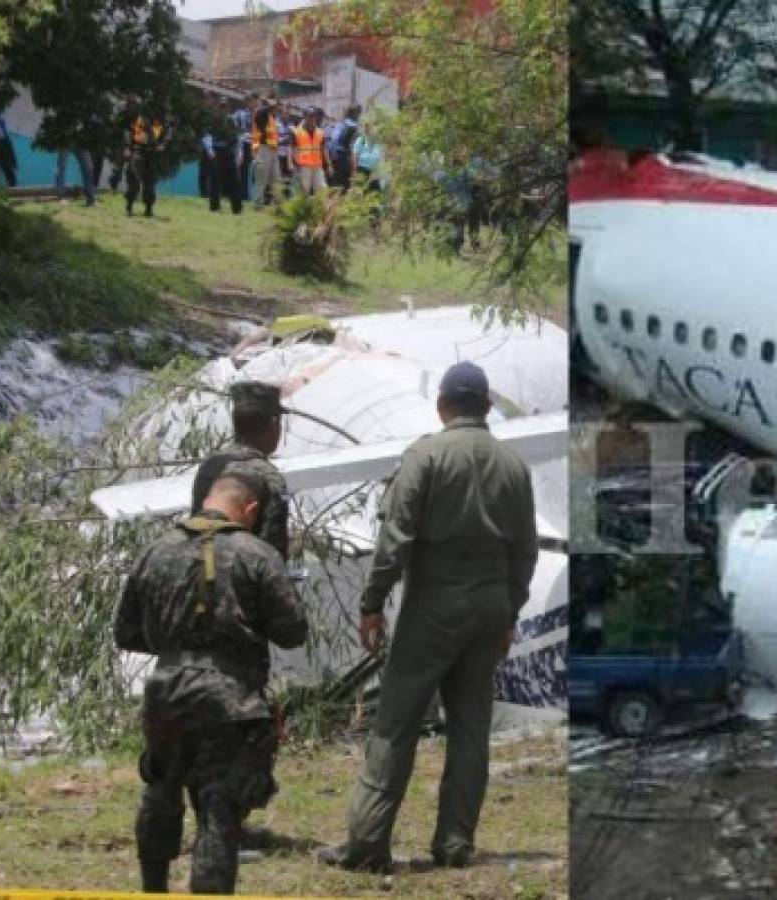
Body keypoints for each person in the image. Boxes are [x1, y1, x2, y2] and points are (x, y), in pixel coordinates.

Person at [318, 361, 539, 873]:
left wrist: (372, 604)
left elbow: (395, 542)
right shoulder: (513, 465)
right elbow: (524, 550)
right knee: (469, 729)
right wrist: (510, 610)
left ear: (442, 406)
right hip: (489, 607)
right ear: (486, 405)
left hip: (435, 604)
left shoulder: (426, 456)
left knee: (396, 723)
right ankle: (456, 843)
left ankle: (369, 843)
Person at [114, 473, 309, 894]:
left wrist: (176, 642)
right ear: (251, 509)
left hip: (166, 690)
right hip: (229, 697)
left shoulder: (155, 551)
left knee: (161, 790)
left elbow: (125, 632)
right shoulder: (256, 554)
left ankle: (153, 888)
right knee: (219, 807)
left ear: (205, 500)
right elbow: (293, 631)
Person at [191, 381, 289, 562]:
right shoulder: (268, 477)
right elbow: (273, 554)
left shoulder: (209, 465)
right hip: (244, 581)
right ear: (273, 424)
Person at [202, 102, 242, 215]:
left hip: (229, 152)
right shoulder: (213, 120)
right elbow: (207, 135)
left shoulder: (232, 121)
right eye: (221, 107)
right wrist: (210, 150)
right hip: (217, 152)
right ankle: (214, 208)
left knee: (235, 180)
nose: (223, 110)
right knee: (214, 180)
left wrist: (238, 153)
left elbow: (237, 138)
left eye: (225, 107)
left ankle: (237, 209)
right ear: (218, 108)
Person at [125, 109, 165, 218]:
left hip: (151, 155)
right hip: (139, 153)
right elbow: (139, 138)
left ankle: (148, 209)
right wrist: (153, 142)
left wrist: (159, 145)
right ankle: (129, 206)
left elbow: (159, 139)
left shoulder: (158, 123)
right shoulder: (140, 120)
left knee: (150, 183)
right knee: (135, 181)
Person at [291, 108, 329, 197]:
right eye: (310, 116)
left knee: (322, 189)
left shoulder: (320, 132)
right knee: (304, 190)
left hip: (317, 165)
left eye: (314, 116)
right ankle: (303, 210)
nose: (313, 118)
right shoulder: (297, 131)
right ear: (304, 117)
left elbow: (323, 149)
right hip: (304, 165)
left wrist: (328, 164)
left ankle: (321, 209)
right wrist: (294, 163)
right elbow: (293, 148)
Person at [251, 96, 280, 209]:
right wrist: (269, 102)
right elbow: (265, 110)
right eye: (275, 106)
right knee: (261, 179)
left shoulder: (270, 117)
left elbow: (271, 134)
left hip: (272, 150)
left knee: (276, 179)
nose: (277, 108)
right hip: (262, 149)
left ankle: (277, 206)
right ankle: (258, 205)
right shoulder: (260, 112)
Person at [328, 105, 360, 191]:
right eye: (358, 113)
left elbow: (333, 140)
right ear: (354, 113)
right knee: (346, 184)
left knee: (337, 184)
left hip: (340, 156)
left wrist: (333, 155)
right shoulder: (353, 125)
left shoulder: (341, 123)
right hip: (346, 156)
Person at [232, 94, 255, 202]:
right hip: (244, 144)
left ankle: (264, 198)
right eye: (250, 101)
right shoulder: (240, 114)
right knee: (243, 170)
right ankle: (243, 196)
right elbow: (233, 126)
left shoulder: (260, 115)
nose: (252, 103)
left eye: (254, 101)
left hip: (256, 145)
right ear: (246, 102)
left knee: (257, 171)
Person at [0, 116, 17, 188]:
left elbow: (3, 134)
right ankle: (11, 181)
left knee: (6, 164)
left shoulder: (0, 121)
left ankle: (12, 182)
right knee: (4, 164)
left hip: (3, 144)